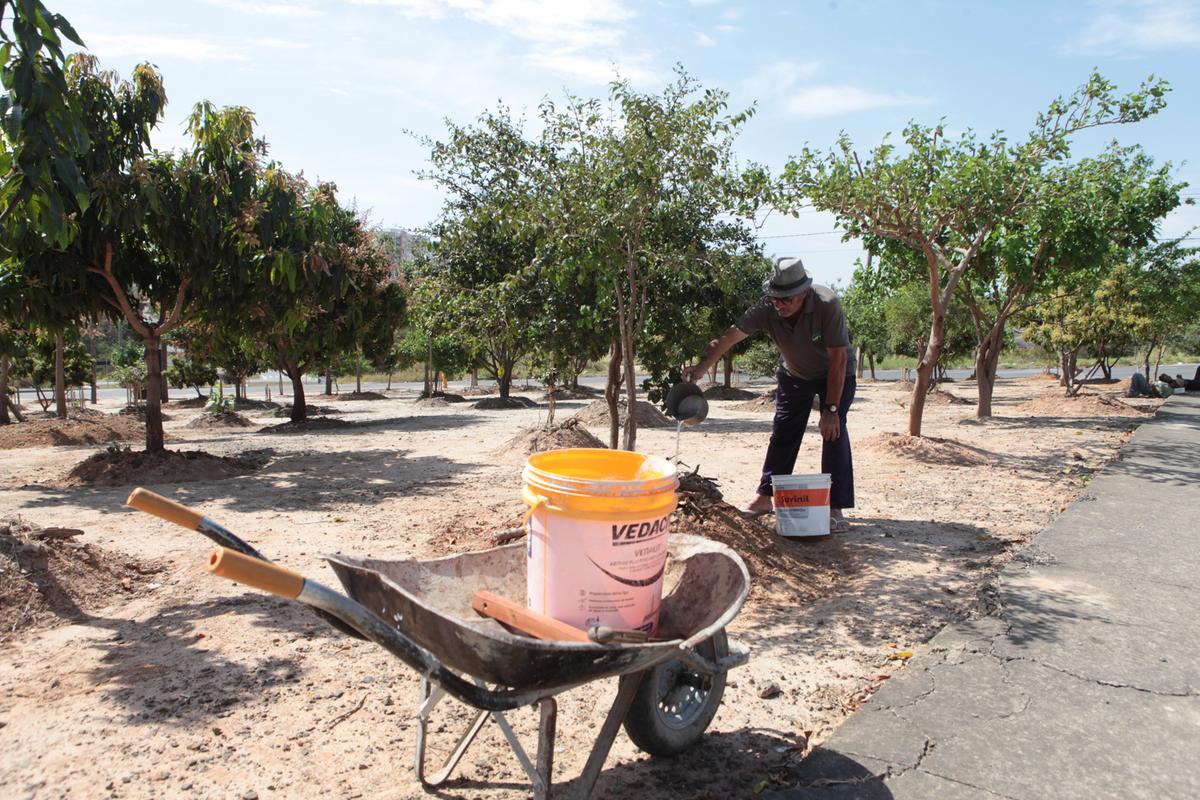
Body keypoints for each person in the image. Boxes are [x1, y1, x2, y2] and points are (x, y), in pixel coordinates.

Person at [683, 256, 856, 532]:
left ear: (804, 293)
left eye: (786, 299)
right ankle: (764, 498)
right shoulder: (767, 308)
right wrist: (703, 366)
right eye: (776, 297)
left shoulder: (826, 304)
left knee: (832, 432)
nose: (780, 304)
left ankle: (835, 507)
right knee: (783, 432)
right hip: (794, 374)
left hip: (834, 374)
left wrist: (831, 410)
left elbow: (838, 361)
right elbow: (729, 337)